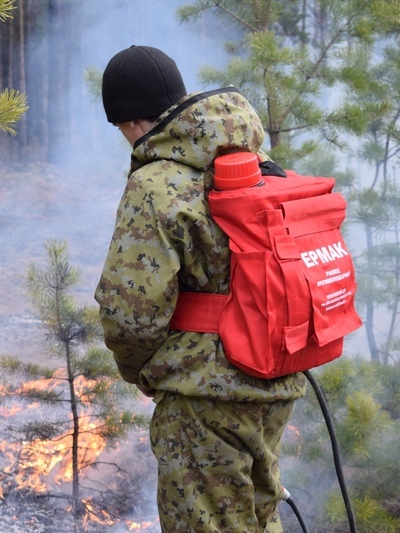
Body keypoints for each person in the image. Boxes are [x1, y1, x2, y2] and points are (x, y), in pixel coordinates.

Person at [94, 45, 307, 532]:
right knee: (257, 515)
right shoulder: (254, 160)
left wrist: (142, 373)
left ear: (127, 121)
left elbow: (130, 312)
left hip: (202, 395)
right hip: (274, 373)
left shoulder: (156, 184)